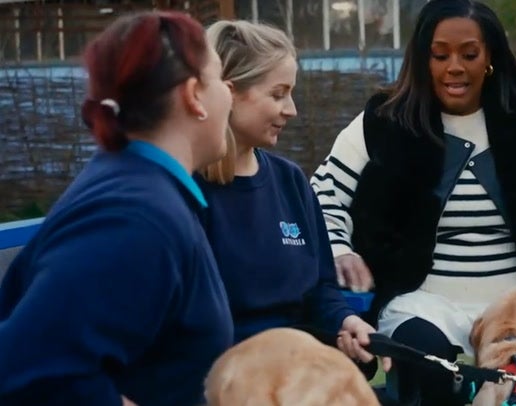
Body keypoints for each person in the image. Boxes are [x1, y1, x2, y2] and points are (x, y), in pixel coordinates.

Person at [311, 0, 516, 404]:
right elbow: (322, 194)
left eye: (469, 54)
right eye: (440, 55)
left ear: (489, 57)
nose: (454, 67)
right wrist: (339, 250)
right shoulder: (383, 123)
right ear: (423, 59)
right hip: (426, 298)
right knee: (421, 350)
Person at [0, 11, 233, 406]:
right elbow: (33, 375)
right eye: (220, 77)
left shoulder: (141, 190)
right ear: (193, 94)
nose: (230, 90)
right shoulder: (135, 218)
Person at [197, 20, 387, 373]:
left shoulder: (291, 182)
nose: (292, 109)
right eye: (277, 94)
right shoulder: (188, 193)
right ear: (229, 92)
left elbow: (321, 291)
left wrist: (346, 323)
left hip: (301, 369)